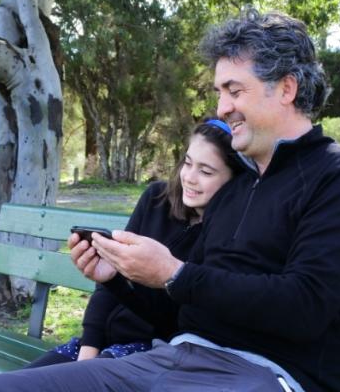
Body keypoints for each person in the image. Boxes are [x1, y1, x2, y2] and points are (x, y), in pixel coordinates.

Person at [0, 9, 340, 392]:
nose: (222, 108)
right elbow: (182, 312)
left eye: (235, 91)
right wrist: (119, 280)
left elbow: (305, 308)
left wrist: (174, 273)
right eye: (220, 92)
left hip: (266, 376)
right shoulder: (235, 191)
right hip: (170, 360)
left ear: (286, 88)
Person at [26, 119, 245, 367]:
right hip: (99, 342)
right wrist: (89, 347)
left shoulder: (226, 236)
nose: (190, 178)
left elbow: (177, 322)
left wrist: (119, 282)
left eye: (206, 171)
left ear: (234, 180)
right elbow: (106, 286)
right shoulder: (156, 200)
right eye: (187, 163)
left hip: (151, 352)